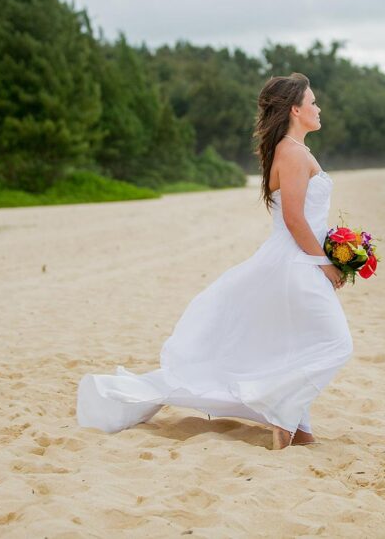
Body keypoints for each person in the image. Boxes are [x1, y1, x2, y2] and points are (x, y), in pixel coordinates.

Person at [76, 72, 354, 450]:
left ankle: (297, 426)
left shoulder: (294, 150)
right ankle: (281, 416)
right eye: (313, 101)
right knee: (336, 343)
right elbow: (293, 218)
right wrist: (324, 262)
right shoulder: (290, 151)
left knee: (293, 343)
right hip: (296, 264)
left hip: (296, 260)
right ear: (295, 109)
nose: (319, 108)